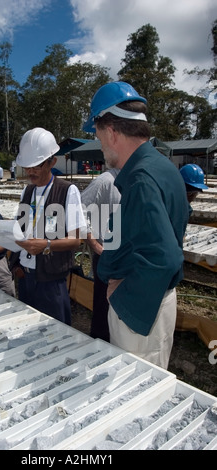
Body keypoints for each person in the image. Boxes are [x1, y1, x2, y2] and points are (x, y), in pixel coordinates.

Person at [83, 81, 190, 369]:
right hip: (158, 301)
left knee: (135, 386)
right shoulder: (163, 168)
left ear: (112, 132)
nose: (100, 144)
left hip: (140, 309)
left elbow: (166, 257)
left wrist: (123, 294)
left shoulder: (141, 178)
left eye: (98, 135)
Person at [11, 127, 87, 325]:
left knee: (56, 333)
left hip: (51, 280)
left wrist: (46, 245)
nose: (30, 172)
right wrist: (18, 263)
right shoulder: (26, 192)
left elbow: (75, 240)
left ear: (52, 162)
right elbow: (21, 228)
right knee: (28, 329)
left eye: (36, 166)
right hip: (25, 277)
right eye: (27, 167)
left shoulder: (67, 191)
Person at [81, 168, 121, 342]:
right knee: (103, 304)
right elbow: (79, 212)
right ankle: (100, 342)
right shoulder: (105, 182)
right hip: (107, 254)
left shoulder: (136, 180)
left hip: (127, 256)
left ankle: (118, 342)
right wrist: (96, 245)